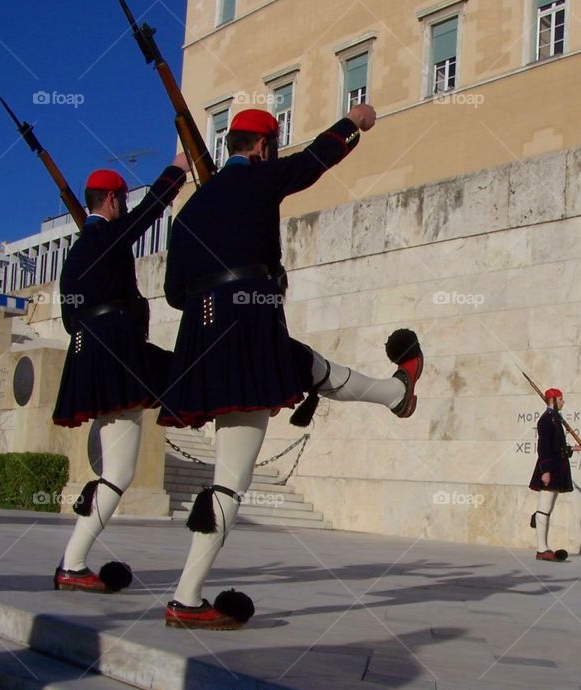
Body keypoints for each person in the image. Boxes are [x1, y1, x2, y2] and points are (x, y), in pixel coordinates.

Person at [160, 106, 423, 629]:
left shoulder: (187, 212)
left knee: (304, 366)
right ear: (261, 147)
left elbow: (172, 294)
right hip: (248, 325)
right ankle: (186, 598)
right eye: (271, 147)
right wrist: (355, 120)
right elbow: (315, 161)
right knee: (231, 478)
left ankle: (396, 394)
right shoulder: (261, 177)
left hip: (201, 335)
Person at [52, 155, 189, 592]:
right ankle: (72, 564)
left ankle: (73, 563)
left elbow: (70, 318)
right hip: (119, 355)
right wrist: (176, 172)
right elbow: (148, 213)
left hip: (95, 355)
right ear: (111, 200)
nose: (124, 208)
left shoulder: (76, 256)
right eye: (121, 201)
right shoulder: (106, 236)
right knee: (186, 369)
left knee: (119, 472)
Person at [528, 387, 581, 562]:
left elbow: (557, 448)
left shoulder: (555, 419)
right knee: (544, 509)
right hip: (550, 469)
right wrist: (545, 471)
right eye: (560, 399)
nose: (563, 402)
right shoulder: (546, 420)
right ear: (553, 400)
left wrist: (575, 448)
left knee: (547, 509)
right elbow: (544, 448)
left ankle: (541, 539)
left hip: (556, 467)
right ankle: (542, 549)